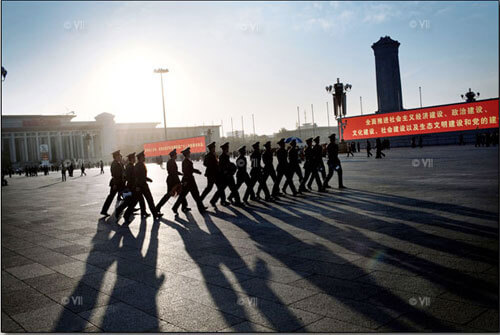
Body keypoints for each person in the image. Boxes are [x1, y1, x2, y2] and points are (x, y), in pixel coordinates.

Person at [172, 147, 207, 214]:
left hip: (189, 180)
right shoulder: (185, 161)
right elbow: (186, 171)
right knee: (184, 195)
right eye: (189, 152)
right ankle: (175, 207)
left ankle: (201, 207)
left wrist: (197, 171)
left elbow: (190, 169)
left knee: (195, 195)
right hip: (188, 181)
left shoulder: (187, 161)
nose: (190, 153)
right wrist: (186, 180)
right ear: (187, 154)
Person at [116, 152, 147, 222]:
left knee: (129, 202)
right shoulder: (131, 167)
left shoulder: (129, 166)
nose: (135, 159)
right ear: (131, 159)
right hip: (132, 187)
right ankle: (123, 213)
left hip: (130, 186)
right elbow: (132, 178)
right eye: (134, 158)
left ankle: (123, 213)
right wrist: (135, 186)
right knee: (131, 202)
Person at [155, 149, 187, 214]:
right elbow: (173, 172)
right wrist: (178, 182)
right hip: (172, 180)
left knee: (181, 193)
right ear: (173, 155)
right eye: (176, 155)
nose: (176, 156)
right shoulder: (171, 162)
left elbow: (174, 171)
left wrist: (180, 174)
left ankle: (184, 206)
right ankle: (158, 207)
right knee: (169, 195)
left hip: (172, 179)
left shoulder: (171, 161)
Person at [132, 151, 161, 220]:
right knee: (149, 200)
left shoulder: (140, 164)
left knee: (143, 201)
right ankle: (155, 214)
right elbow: (137, 177)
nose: (144, 157)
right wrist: (138, 186)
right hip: (142, 186)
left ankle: (144, 213)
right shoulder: (139, 165)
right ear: (140, 158)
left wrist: (148, 179)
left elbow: (142, 176)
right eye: (143, 157)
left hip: (142, 185)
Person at [100, 150, 125, 217]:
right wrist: (115, 184)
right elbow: (115, 175)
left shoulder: (116, 163)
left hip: (118, 183)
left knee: (111, 197)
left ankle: (104, 210)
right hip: (117, 184)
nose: (120, 156)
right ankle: (129, 209)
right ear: (116, 156)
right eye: (119, 155)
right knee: (127, 195)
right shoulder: (115, 164)